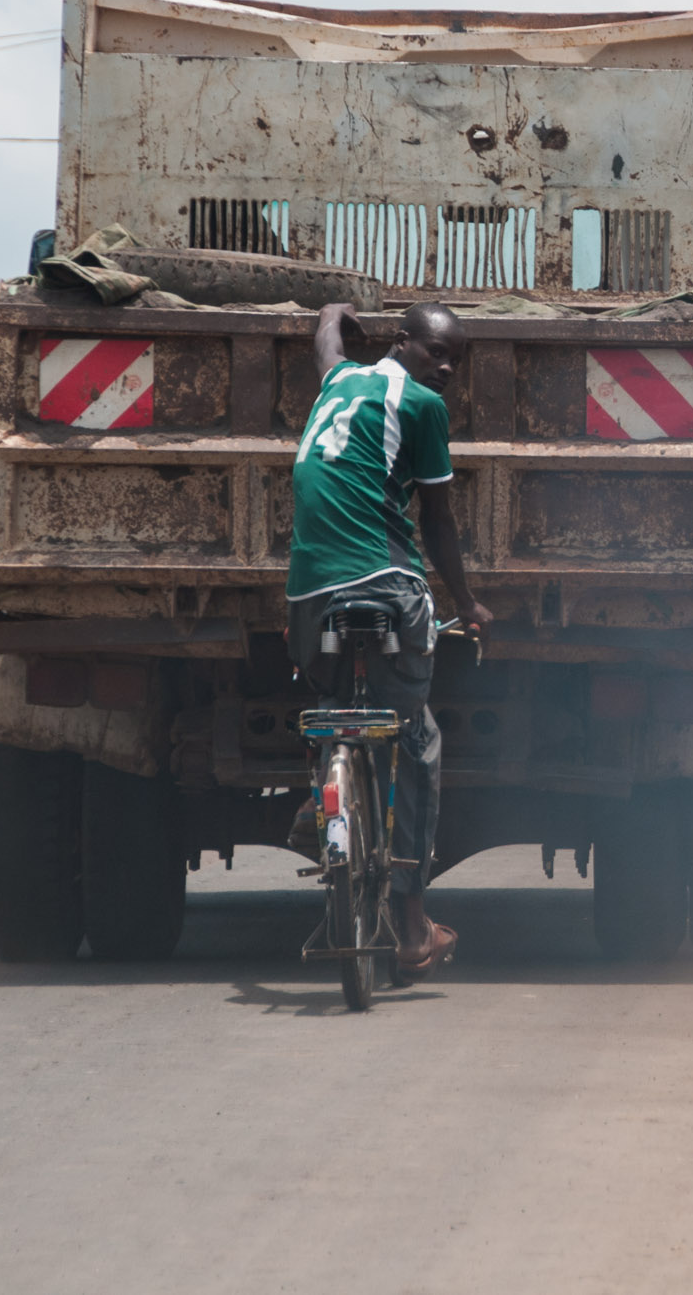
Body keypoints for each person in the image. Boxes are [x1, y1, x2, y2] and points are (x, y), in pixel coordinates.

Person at [287, 302, 495, 980]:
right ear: (400, 342)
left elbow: (324, 345)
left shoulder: (338, 381)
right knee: (416, 738)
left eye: (452, 359)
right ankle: (411, 924)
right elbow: (437, 522)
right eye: (436, 350)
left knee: (326, 711)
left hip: (307, 593)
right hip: (384, 583)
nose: (444, 367)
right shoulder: (424, 406)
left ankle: (320, 791)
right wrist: (465, 604)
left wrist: (332, 313)